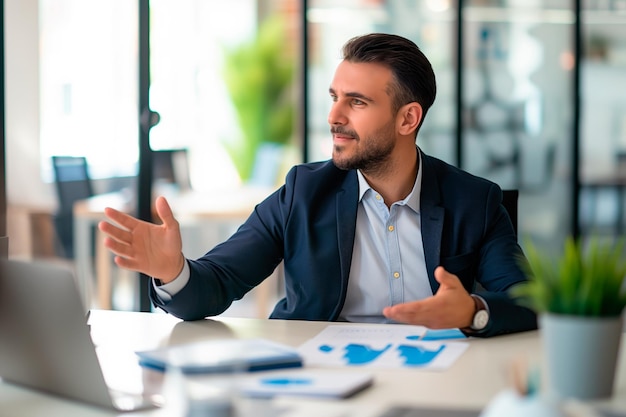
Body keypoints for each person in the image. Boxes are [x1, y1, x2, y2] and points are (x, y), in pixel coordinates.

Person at [99, 33, 537, 337]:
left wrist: (473, 312)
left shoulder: (475, 200)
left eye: (357, 102)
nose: (334, 116)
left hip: (433, 376)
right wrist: (174, 272)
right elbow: (217, 284)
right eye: (334, 97)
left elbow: (527, 301)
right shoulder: (302, 192)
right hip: (321, 376)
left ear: (409, 118)